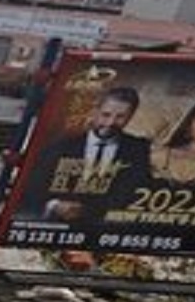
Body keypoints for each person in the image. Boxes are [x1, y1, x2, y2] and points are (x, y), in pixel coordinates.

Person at [20, 87, 152, 223]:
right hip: (56, 226)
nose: (110, 123)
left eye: (120, 117)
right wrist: (54, 205)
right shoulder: (61, 146)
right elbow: (32, 188)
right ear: (95, 112)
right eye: (106, 115)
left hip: (105, 229)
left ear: (131, 116)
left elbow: (135, 192)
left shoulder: (138, 149)